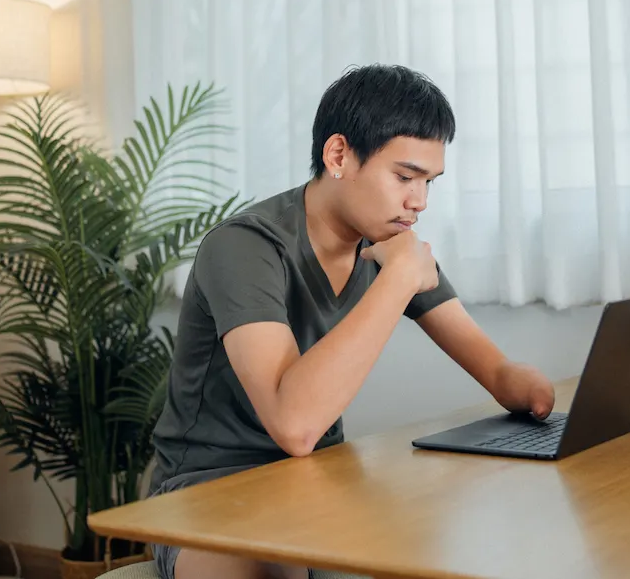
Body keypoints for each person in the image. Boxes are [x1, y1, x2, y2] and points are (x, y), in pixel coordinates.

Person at [146, 64, 556, 579]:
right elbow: (295, 426)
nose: (419, 201)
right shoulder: (246, 247)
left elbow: (497, 372)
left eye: (429, 182)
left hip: (316, 483)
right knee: (282, 565)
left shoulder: (387, 248)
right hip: (206, 494)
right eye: (404, 177)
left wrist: (535, 393)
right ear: (338, 155)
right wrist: (397, 281)